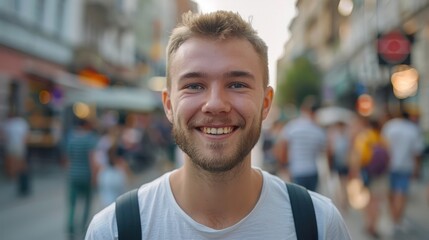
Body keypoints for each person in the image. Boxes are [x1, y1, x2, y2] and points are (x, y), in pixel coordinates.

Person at [85, 11, 350, 239]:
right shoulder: (114, 230)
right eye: (194, 86)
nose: (215, 104)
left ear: (266, 103)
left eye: (237, 84)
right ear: (168, 104)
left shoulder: (319, 224)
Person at [382, 111, 425, 233]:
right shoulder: (412, 129)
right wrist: (417, 168)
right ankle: (397, 220)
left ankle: (393, 218)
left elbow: (383, 145)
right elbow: (417, 152)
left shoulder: (389, 126)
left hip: (388, 166)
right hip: (406, 166)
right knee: (401, 194)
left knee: (391, 193)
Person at [276, 98, 327, 192]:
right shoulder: (318, 130)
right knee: (312, 200)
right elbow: (323, 150)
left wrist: (283, 166)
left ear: (304, 109)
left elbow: (282, 147)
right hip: (312, 171)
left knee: (298, 201)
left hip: (296, 170)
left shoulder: (292, 126)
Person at [349, 118, 389, 238]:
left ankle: (368, 224)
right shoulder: (382, 138)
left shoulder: (364, 137)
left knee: (367, 200)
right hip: (380, 174)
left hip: (366, 172)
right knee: (376, 201)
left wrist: (354, 172)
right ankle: (374, 225)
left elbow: (358, 156)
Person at [65, 118, 99, 239]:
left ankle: (70, 226)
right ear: (87, 126)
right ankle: (84, 227)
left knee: (72, 203)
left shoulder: (71, 138)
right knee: (87, 203)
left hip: (73, 175)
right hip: (86, 176)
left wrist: (69, 172)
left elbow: (68, 158)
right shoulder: (90, 139)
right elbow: (92, 160)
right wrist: (94, 176)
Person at [2, 111, 30, 196]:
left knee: (15, 164)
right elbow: (26, 137)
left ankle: (16, 180)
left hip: (12, 146)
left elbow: (4, 136)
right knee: (21, 165)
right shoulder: (22, 123)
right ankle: (21, 183)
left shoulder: (8, 124)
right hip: (19, 146)